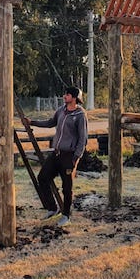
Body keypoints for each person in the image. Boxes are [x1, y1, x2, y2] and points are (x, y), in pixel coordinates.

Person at [23, 87, 88, 227]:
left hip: (69, 156)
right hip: (56, 153)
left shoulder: (80, 115)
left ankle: (66, 215)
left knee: (67, 187)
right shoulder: (61, 111)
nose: (64, 96)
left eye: (68, 94)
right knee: (42, 178)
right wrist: (32, 122)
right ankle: (52, 208)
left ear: (75, 97)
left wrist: (76, 158)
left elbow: (83, 139)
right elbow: (50, 122)